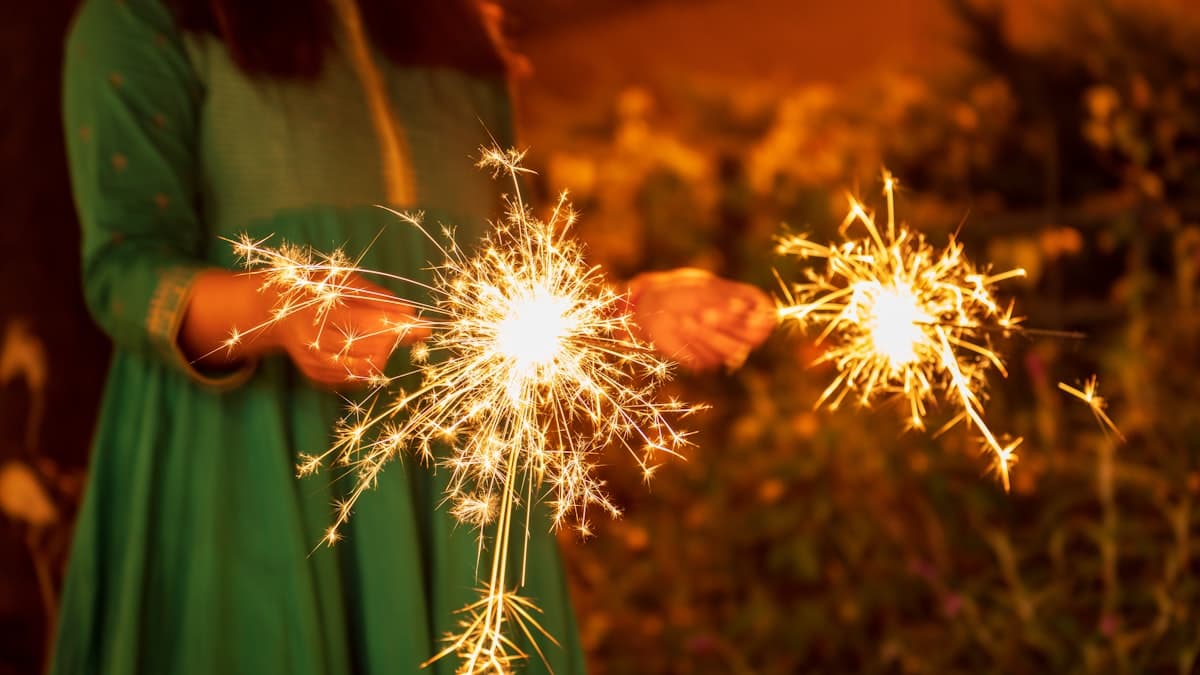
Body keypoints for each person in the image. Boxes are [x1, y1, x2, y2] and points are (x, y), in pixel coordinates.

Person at [53, 0, 775, 673]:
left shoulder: (459, 42)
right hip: (255, 480)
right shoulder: (143, 18)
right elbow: (125, 272)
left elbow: (509, 299)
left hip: (461, 497)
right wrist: (279, 307)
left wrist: (627, 313)